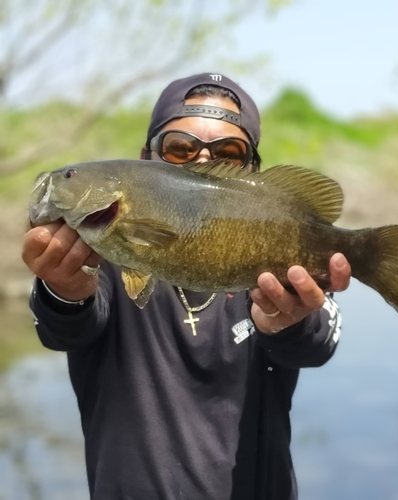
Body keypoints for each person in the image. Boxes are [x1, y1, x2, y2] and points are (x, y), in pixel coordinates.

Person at [22, 73, 351, 500]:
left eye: (228, 153)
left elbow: (315, 345)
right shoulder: (100, 257)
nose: (200, 161)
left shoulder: (282, 265)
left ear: (254, 171)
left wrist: (287, 322)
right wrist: (64, 291)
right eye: (180, 148)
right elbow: (66, 328)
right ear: (144, 159)